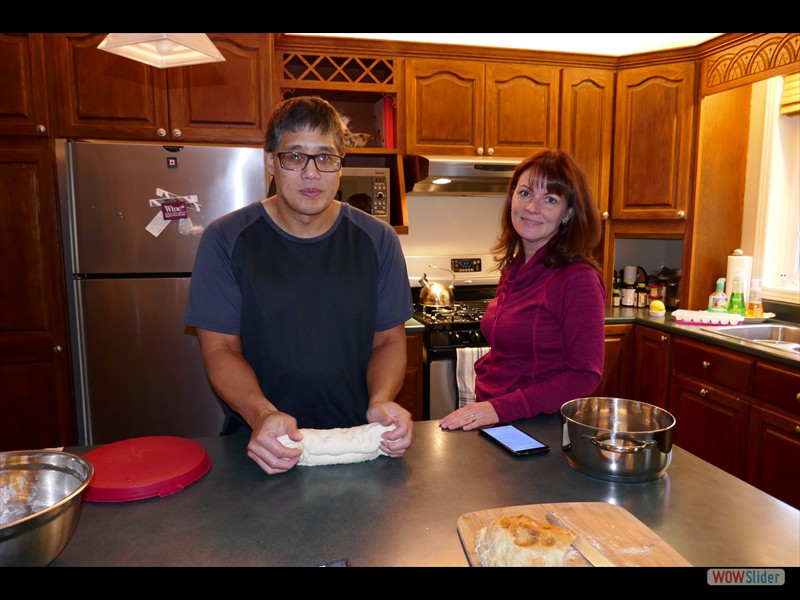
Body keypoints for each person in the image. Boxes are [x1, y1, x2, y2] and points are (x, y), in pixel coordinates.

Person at [184, 96, 414, 474]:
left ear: (340, 166)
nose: (312, 173)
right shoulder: (226, 238)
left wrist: (381, 401)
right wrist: (263, 415)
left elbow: (389, 341)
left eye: (325, 158)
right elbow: (221, 350)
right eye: (295, 156)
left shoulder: (378, 240)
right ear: (270, 161)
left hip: (356, 444)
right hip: (260, 445)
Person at [439, 150, 605, 431]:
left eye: (550, 199)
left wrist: (498, 408)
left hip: (538, 427)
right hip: (498, 420)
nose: (531, 207)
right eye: (525, 193)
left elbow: (583, 375)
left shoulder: (578, 279)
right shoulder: (515, 268)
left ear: (568, 213)